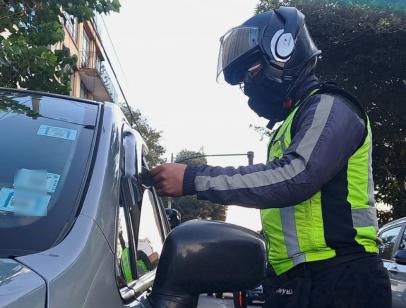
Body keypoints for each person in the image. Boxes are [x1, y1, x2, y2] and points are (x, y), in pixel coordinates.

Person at [151, 6, 391, 308]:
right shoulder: (290, 125)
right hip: (297, 283)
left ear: (284, 52)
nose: (247, 88)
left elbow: (295, 176)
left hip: (342, 282)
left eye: (250, 72)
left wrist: (192, 178)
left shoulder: (331, 107)